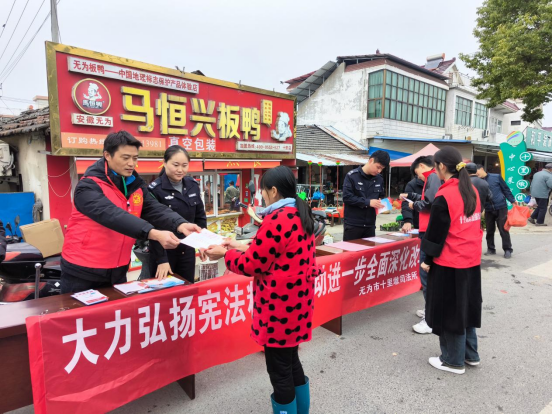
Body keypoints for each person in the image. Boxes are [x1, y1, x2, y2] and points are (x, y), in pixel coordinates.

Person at [205, 166, 319, 414]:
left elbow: (253, 264)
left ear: (273, 191)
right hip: (297, 304)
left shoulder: (277, 219)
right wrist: (237, 244)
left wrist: (225, 254)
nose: (262, 196)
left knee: (279, 371)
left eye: (263, 191)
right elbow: (274, 250)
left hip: (279, 308)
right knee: (291, 362)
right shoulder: (298, 213)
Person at [60, 131, 201, 294]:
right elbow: (113, 216)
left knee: (117, 311)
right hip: (82, 270)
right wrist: (153, 233)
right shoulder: (88, 186)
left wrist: (180, 224)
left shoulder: (134, 185)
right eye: (125, 158)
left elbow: (154, 208)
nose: (131, 163)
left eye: (135, 158)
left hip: (118, 269)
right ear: (107, 155)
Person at [421, 146, 483, 375]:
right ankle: (470, 355)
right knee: (466, 308)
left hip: (450, 261)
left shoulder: (445, 196)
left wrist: (427, 260)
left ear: (441, 166)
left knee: (450, 312)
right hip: (471, 259)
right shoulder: (471, 190)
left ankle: (452, 360)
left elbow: (435, 234)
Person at [148, 146, 207, 283]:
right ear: (164, 163)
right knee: (164, 291)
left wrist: (203, 243)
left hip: (187, 249)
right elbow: (152, 227)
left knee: (187, 288)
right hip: (164, 252)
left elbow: (200, 217)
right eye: (176, 165)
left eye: (184, 165)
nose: (180, 170)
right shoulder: (155, 189)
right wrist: (161, 259)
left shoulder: (192, 185)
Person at [399, 155, 442, 335]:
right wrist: (411, 196)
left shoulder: (432, 176)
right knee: (427, 275)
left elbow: (429, 203)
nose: (418, 177)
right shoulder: (433, 178)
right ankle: (430, 309)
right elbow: (427, 198)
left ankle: (431, 319)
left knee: (426, 275)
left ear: (422, 166)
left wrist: (414, 205)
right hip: (427, 230)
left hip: (429, 232)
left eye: (417, 173)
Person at [342, 150, 390, 241]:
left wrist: (383, 204)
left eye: (382, 169)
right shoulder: (352, 176)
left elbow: (381, 196)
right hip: (353, 225)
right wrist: (368, 202)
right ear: (371, 161)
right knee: (351, 250)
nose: (379, 171)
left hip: (370, 225)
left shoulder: (379, 179)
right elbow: (347, 198)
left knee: (369, 250)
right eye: (378, 167)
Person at [476, 165, 516, 258]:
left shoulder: (496, 177)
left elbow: (505, 189)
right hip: (488, 208)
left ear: (481, 169)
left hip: (501, 207)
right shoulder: (478, 181)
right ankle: (491, 248)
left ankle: (507, 249)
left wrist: (512, 200)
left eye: (477, 172)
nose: (476, 174)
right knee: (489, 230)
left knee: (503, 229)